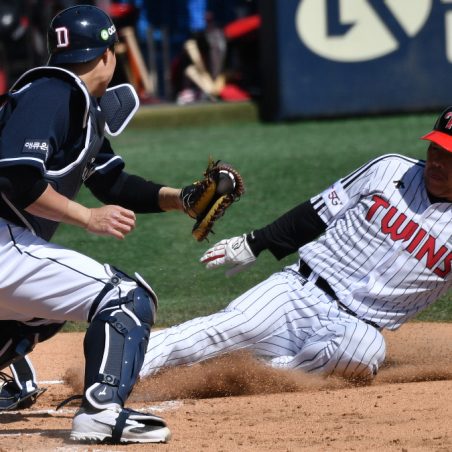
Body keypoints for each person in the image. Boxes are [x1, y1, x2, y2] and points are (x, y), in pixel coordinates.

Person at [0, 3, 218, 444]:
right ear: (108, 56)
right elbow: (14, 176)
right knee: (125, 297)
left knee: (40, 314)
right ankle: (102, 411)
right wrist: (85, 217)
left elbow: (112, 183)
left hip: (7, 245)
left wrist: (183, 200)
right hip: (3, 244)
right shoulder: (51, 92)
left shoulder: (76, 103)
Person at [140, 109, 452, 382]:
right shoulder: (391, 169)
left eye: (449, 156)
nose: (437, 161)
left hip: (354, 328)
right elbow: (317, 212)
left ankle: (259, 374)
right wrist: (255, 242)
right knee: (214, 332)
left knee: (364, 348)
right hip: (297, 291)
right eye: (436, 148)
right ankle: (119, 367)